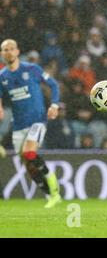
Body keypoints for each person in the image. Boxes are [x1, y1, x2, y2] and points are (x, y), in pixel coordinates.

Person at [0, 39, 61, 208]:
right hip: (18, 126)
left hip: (38, 120)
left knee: (29, 153)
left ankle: (54, 187)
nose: (9, 52)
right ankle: (51, 195)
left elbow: (53, 84)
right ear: (1, 54)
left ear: (18, 51)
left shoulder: (32, 69)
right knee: (29, 166)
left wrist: (55, 105)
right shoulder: (2, 77)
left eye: (12, 49)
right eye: (5, 50)